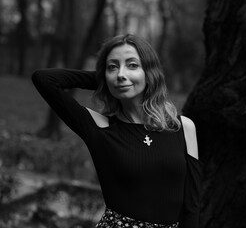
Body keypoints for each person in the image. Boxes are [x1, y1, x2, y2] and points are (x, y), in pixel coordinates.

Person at [31, 34, 201, 228]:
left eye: (132, 65)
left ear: (150, 72)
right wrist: (106, 81)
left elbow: (192, 206)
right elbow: (44, 79)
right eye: (112, 66)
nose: (121, 73)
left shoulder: (183, 127)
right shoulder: (100, 128)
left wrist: (116, 77)